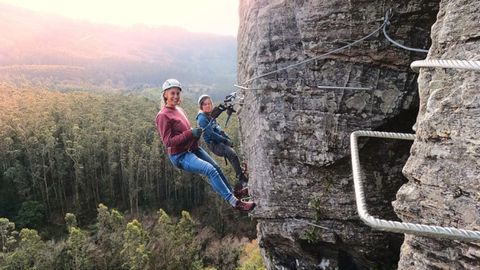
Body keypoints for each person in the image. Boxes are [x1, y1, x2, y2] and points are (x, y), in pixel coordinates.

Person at [155, 79, 254, 212]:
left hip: (192, 148)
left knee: (216, 168)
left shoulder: (179, 109)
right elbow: (168, 142)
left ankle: (234, 193)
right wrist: (190, 133)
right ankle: (235, 203)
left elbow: (187, 131)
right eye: (172, 93)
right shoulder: (163, 116)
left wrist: (194, 135)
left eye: (178, 93)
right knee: (210, 170)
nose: (176, 96)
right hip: (179, 155)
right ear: (165, 94)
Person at [196, 94, 249, 193]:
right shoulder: (202, 119)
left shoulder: (210, 115)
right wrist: (225, 141)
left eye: (209, 103)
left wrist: (228, 139)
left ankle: (240, 171)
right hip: (214, 144)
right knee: (231, 153)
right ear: (201, 106)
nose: (208, 106)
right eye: (205, 104)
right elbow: (211, 134)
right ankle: (242, 179)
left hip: (218, 141)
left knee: (232, 152)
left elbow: (219, 130)